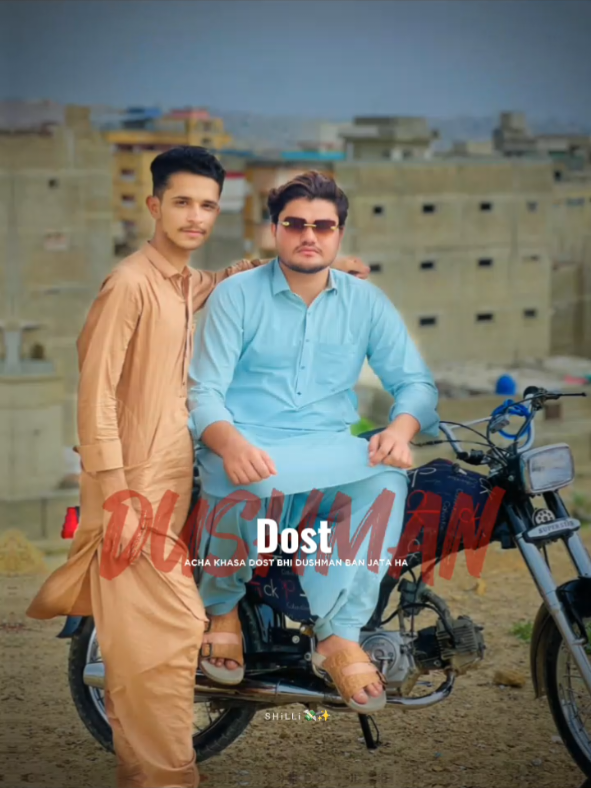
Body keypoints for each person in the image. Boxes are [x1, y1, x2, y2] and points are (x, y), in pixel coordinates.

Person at [26, 149, 369, 788]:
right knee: (176, 628)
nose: (195, 216)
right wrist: (118, 492)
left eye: (207, 205)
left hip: (174, 487)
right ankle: (165, 775)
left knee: (152, 638)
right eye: (181, 202)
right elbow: (95, 394)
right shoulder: (129, 284)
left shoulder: (185, 285)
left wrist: (324, 264)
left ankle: (155, 770)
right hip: (133, 490)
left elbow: (238, 275)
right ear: (154, 206)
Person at [188, 170, 440, 714]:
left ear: (339, 233)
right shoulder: (236, 297)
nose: (309, 235)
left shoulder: (365, 302)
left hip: (328, 444)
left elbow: (415, 383)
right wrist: (230, 444)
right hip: (247, 441)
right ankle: (222, 607)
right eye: (295, 224)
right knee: (251, 484)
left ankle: (338, 635)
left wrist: (399, 430)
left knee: (386, 479)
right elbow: (203, 391)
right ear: (275, 230)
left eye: (322, 226)